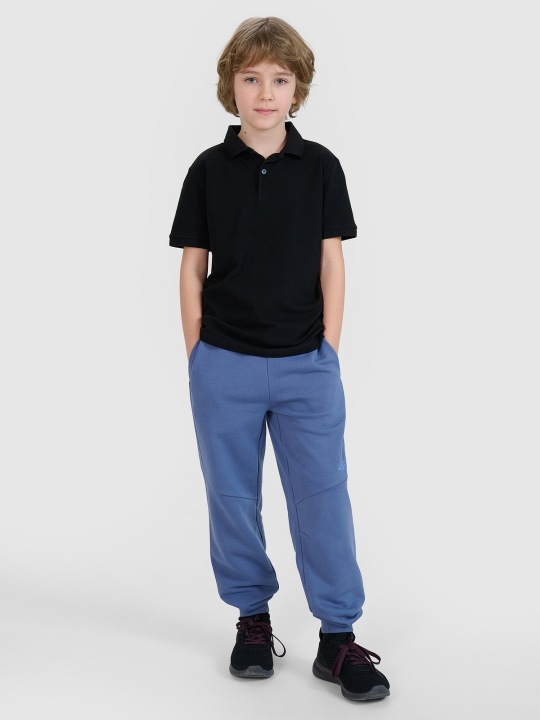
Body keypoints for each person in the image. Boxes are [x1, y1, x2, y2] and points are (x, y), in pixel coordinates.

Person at [169, 16, 390, 703]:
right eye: (251, 78)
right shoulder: (208, 170)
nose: (265, 93)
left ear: (298, 89)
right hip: (224, 364)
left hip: (306, 366)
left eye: (280, 79)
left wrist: (328, 350)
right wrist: (198, 355)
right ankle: (252, 620)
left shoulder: (320, 167)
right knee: (232, 498)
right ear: (230, 86)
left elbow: (332, 261)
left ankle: (337, 636)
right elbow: (192, 266)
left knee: (323, 499)